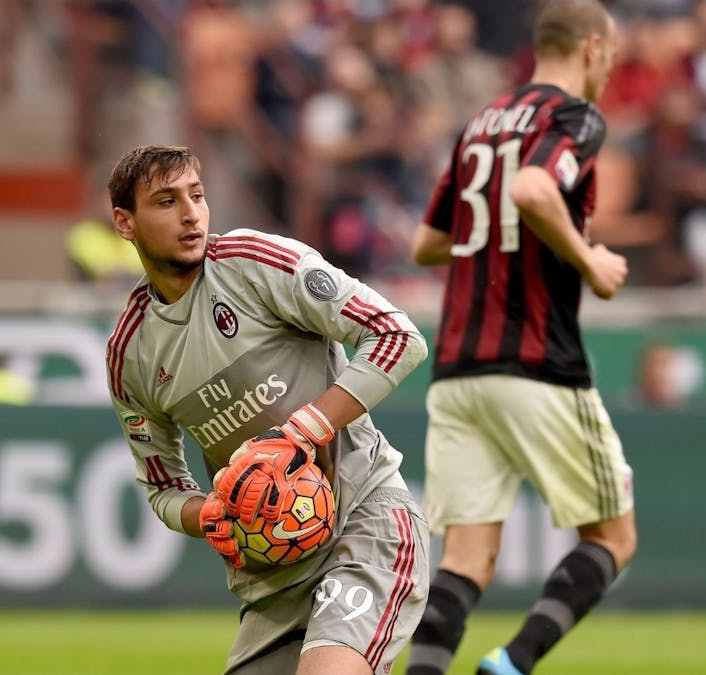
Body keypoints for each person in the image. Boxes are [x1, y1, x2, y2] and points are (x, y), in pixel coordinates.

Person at [105, 145, 430, 675]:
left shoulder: (256, 264)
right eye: (166, 202)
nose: (190, 214)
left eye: (197, 195)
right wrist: (207, 513)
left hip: (364, 527)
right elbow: (163, 486)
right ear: (125, 222)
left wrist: (302, 429)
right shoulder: (132, 352)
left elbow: (397, 337)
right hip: (273, 574)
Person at [405, 2, 637, 675]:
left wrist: (489, 252)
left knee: (466, 557)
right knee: (614, 535)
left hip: (457, 366)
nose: (611, 72)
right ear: (592, 48)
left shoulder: (480, 124)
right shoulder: (573, 117)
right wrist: (589, 259)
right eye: (613, 58)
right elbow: (536, 188)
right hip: (535, 359)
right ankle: (510, 665)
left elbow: (427, 242)